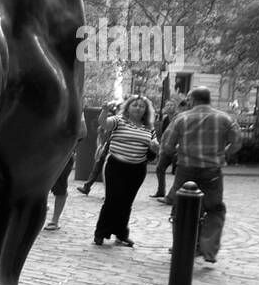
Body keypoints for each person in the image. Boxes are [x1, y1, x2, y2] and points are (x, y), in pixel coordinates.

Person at [159, 87, 241, 264]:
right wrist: (224, 153)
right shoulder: (225, 118)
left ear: (191, 100)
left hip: (186, 170)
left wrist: (179, 153)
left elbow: (167, 145)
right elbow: (237, 143)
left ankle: (181, 245)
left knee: (181, 209)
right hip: (212, 171)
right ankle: (208, 248)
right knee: (214, 209)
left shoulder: (181, 118)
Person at [93, 94, 158, 246]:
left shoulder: (149, 127)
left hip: (137, 169)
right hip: (116, 166)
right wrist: (104, 111)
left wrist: (156, 148)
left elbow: (155, 148)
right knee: (112, 200)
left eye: (142, 106)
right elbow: (104, 123)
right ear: (128, 107)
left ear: (146, 110)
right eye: (135, 105)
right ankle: (101, 233)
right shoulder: (119, 120)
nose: (138, 108)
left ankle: (121, 233)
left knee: (126, 202)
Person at [43, 117, 86, 230]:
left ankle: (55, 220)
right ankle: (39, 210)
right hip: (40, 153)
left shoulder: (72, 106)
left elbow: (82, 132)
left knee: (60, 188)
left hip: (62, 154)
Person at [77, 99, 121, 195]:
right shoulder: (113, 118)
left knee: (109, 170)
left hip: (115, 148)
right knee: (98, 167)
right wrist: (100, 145)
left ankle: (106, 191)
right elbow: (102, 131)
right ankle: (87, 186)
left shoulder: (121, 119)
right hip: (107, 146)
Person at [150, 97, 183, 198]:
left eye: (171, 105)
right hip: (166, 148)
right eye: (167, 105)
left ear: (176, 107)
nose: (169, 107)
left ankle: (176, 194)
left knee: (178, 172)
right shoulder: (165, 119)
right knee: (160, 168)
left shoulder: (180, 117)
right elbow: (164, 133)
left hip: (177, 148)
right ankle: (161, 191)